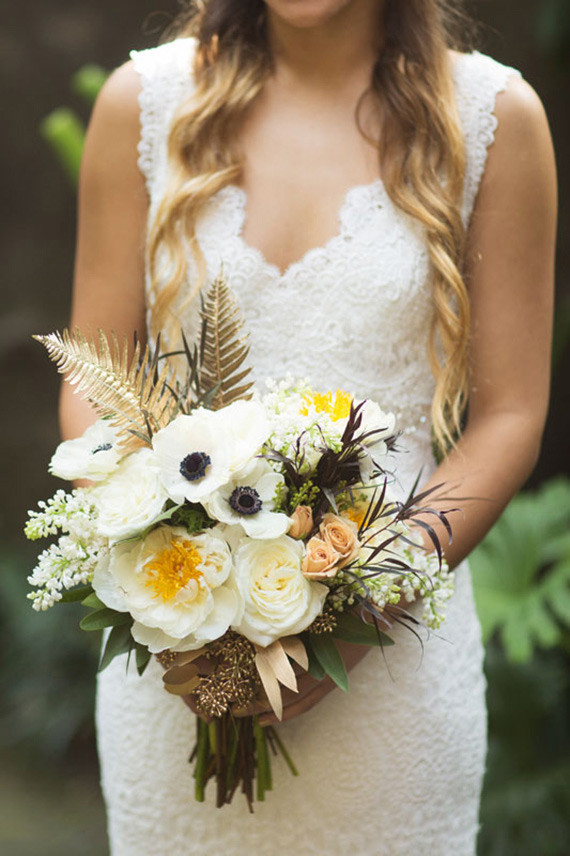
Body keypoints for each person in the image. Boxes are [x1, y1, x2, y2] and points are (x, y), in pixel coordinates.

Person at [60, 0, 556, 853]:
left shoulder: (496, 119)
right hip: (179, 666)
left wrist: (352, 618)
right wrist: (169, 564)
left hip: (392, 679)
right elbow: (95, 381)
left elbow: (511, 412)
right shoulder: (141, 104)